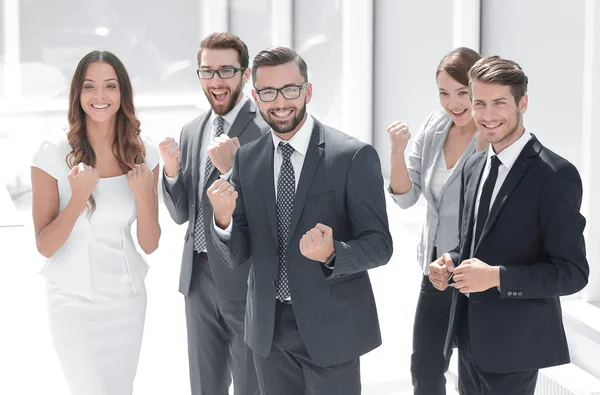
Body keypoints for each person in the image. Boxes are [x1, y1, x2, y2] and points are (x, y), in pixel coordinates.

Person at [207, 46, 393, 395]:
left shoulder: (352, 156)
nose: (280, 102)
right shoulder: (247, 160)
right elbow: (238, 252)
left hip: (330, 330)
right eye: (268, 93)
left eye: (290, 90)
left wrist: (332, 253)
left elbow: (380, 246)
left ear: (307, 91)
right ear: (255, 97)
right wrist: (223, 219)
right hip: (267, 330)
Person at [429, 55, 589, 395]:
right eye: (479, 103)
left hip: (516, 347)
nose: (487, 115)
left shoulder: (556, 176)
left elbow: (572, 272)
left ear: (523, 103)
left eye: (499, 103)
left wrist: (498, 277)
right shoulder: (473, 166)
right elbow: (473, 245)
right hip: (468, 339)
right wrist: (449, 262)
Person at [31, 50, 160, 395]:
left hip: (127, 299)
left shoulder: (144, 153)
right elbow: (44, 244)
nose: (100, 96)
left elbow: (149, 243)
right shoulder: (51, 153)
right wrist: (77, 198)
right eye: (89, 87)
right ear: (78, 94)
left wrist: (145, 195)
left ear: (123, 93)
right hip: (72, 298)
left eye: (110, 86)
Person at [159, 32, 267, 395]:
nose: (216, 81)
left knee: (251, 383)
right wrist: (172, 172)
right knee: (204, 385)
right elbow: (180, 214)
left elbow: (273, 210)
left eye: (226, 71)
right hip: (198, 279)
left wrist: (231, 170)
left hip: (245, 276)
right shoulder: (192, 130)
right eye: (207, 71)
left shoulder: (266, 129)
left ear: (245, 74)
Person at [387, 47, 485, 395]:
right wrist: (397, 152)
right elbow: (406, 197)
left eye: (463, 93)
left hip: (478, 271)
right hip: (437, 272)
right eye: (444, 93)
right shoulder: (434, 125)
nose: (454, 103)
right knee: (425, 369)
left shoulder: (493, 135)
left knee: (477, 373)